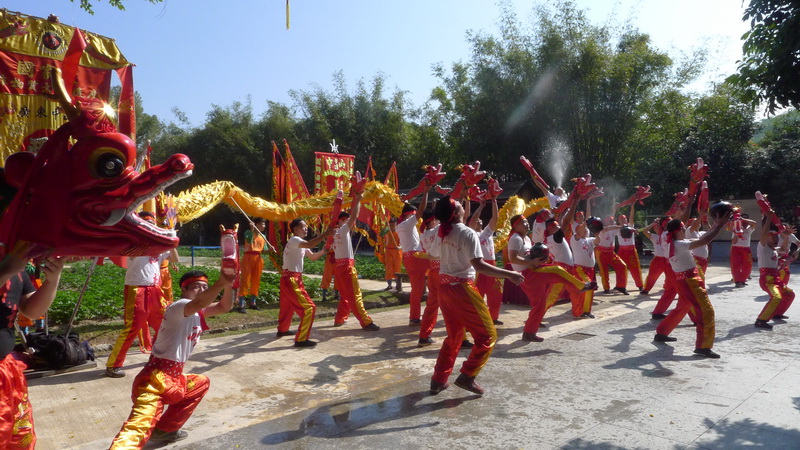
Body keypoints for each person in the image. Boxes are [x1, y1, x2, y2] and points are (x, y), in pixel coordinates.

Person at [109, 265, 235, 448]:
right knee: (135, 433)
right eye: (196, 287)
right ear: (184, 289)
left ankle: (164, 431)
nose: (202, 290)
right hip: (154, 381)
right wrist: (221, 282)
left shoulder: (198, 312)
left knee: (200, 382)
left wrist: (229, 285)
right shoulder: (178, 306)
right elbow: (199, 302)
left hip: (174, 380)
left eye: (205, 287)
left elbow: (225, 306)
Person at [429, 195, 524, 396]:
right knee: (488, 336)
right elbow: (479, 265)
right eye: (460, 205)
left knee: (454, 337)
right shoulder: (467, 233)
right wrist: (510, 274)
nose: (464, 207)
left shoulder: (443, 233)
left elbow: (433, 255)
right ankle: (467, 375)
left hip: (444, 288)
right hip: (462, 288)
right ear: (455, 212)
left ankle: (438, 380)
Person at [0, 255, 64, 449]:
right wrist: (8, 270)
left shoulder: (14, 262)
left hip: (6, 369)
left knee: (17, 439)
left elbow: (32, 310)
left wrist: (53, 280)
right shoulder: (11, 264)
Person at [106, 211, 180, 378]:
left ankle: (159, 358)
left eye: (152, 223)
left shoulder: (159, 244)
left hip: (155, 289)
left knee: (163, 326)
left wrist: (171, 236)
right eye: (147, 222)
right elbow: (129, 254)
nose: (151, 225)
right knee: (132, 327)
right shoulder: (133, 242)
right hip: (136, 288)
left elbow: (175, 259)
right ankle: (113, 365)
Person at [653, 209, 731, 358]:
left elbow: (704, 238)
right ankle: (703, 347)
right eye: (682, 228)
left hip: (684, 281)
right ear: (679, 230)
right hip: (690, 281)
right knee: (706, 311)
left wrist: (715, 225)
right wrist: (719, 225)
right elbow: (704, 241)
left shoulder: (671, 242)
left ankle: (661, 333)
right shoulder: (678, 244)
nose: (684, 229)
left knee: (682, 307)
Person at [276, 219, 332, 347]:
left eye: (306, 227)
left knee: (287, 307)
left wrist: (323, 251)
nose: (306, 229)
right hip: (291, 279)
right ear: (295, 230)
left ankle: (282, 330)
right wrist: (326, 234)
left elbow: (312, 256)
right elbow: (310, 244)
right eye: (303, 227)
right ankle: (301, 338)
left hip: (289, 278)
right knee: (309, 308)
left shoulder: (299, 243)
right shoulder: (295, 240)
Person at [332, 190, 380, 331]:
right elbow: (354, 216)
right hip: (346, 267)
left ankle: (340, 318)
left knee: (346, 295)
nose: (348, 221)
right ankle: (365, 322)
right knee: (355, 295)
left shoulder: (332, 232)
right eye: (344, 219)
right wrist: (358, 199)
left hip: (340, 267)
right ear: (339, 221)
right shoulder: (341, 231)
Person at [396, 185, 431, 325]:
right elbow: (421, 210)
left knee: (416, 290)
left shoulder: (400, 226)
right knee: (441, 269)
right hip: (417, 258)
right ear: (409, 214)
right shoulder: (408, 224)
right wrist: (426, 191)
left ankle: (414, 317)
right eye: (413, 214)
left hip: (410, 258)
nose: (415, 216)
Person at [754, 211, 794, 329]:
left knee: (789, 294)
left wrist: (786, 237)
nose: (776, 238)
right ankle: (761, 320)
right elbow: (764, 232)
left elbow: (783, 248)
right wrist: (769, 218)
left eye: (777, 237)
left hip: (776, 278)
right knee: (777, 297)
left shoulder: (774, 250)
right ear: (766, 238)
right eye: (773, 237)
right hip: (766, 279)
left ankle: (777, 313)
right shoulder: (762, 248)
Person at [469, 197, 503, 325]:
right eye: (476, 219)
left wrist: (494, 200)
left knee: (496, 293)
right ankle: (475, 319)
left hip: (492, 265)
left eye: (480, 219)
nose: (479, 219)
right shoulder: (471, 233)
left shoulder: (488, 232)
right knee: (477, 295)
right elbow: (472, 220)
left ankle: (493, 317)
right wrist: (481, 206)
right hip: (480, 267)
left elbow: (495, 218)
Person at [236, 218, 275, 313]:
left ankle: (253, 302)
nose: (264, 226)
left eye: (264, 224)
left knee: (256, 280)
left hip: (258, 258)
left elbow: (263, 250)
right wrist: (252, 229)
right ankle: (241, 304)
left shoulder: (263, 236)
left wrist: (269, 250)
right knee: (245, 280)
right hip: (248, 257)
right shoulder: (248, 232)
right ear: (256, 224)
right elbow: (249, 241)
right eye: (262, 224)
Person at [595, 216, 628, 295]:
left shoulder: (615, 229)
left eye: (613, 220)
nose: (612, 222)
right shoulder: (602, 229)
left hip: (611, 252)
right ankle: (606, 288)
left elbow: (623, 231)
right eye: (610, 221)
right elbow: (607, 229)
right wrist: (619, 226)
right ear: (606, 222)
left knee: (622, 266)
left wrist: (632, 230)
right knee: (604, 271)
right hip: (601, 252)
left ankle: (621, 286)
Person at [730, 215, 757, 288]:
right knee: (736, 265)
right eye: (742, 221)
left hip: (746, 249)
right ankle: (737, 281)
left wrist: (743, 219)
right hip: (736, 249)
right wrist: (736, 234)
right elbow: (733, 242)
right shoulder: (736, 229)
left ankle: (743, 280)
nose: (744, 223)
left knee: (748, 265)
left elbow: (754, 223)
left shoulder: (749, 229)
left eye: (746, 221)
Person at [382, 217, 403, 291]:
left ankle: (398, 285)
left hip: (397, 252)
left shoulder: (399, 232)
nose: (392, 227)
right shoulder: (387, 230)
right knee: (389, 268)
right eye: (390, 225)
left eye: (393, 225)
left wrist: (399, 247)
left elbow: (403, 243)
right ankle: (389, 285)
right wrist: (385, 226)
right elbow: (381, 234)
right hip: (388, 251)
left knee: (397, 268)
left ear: (396, 225)